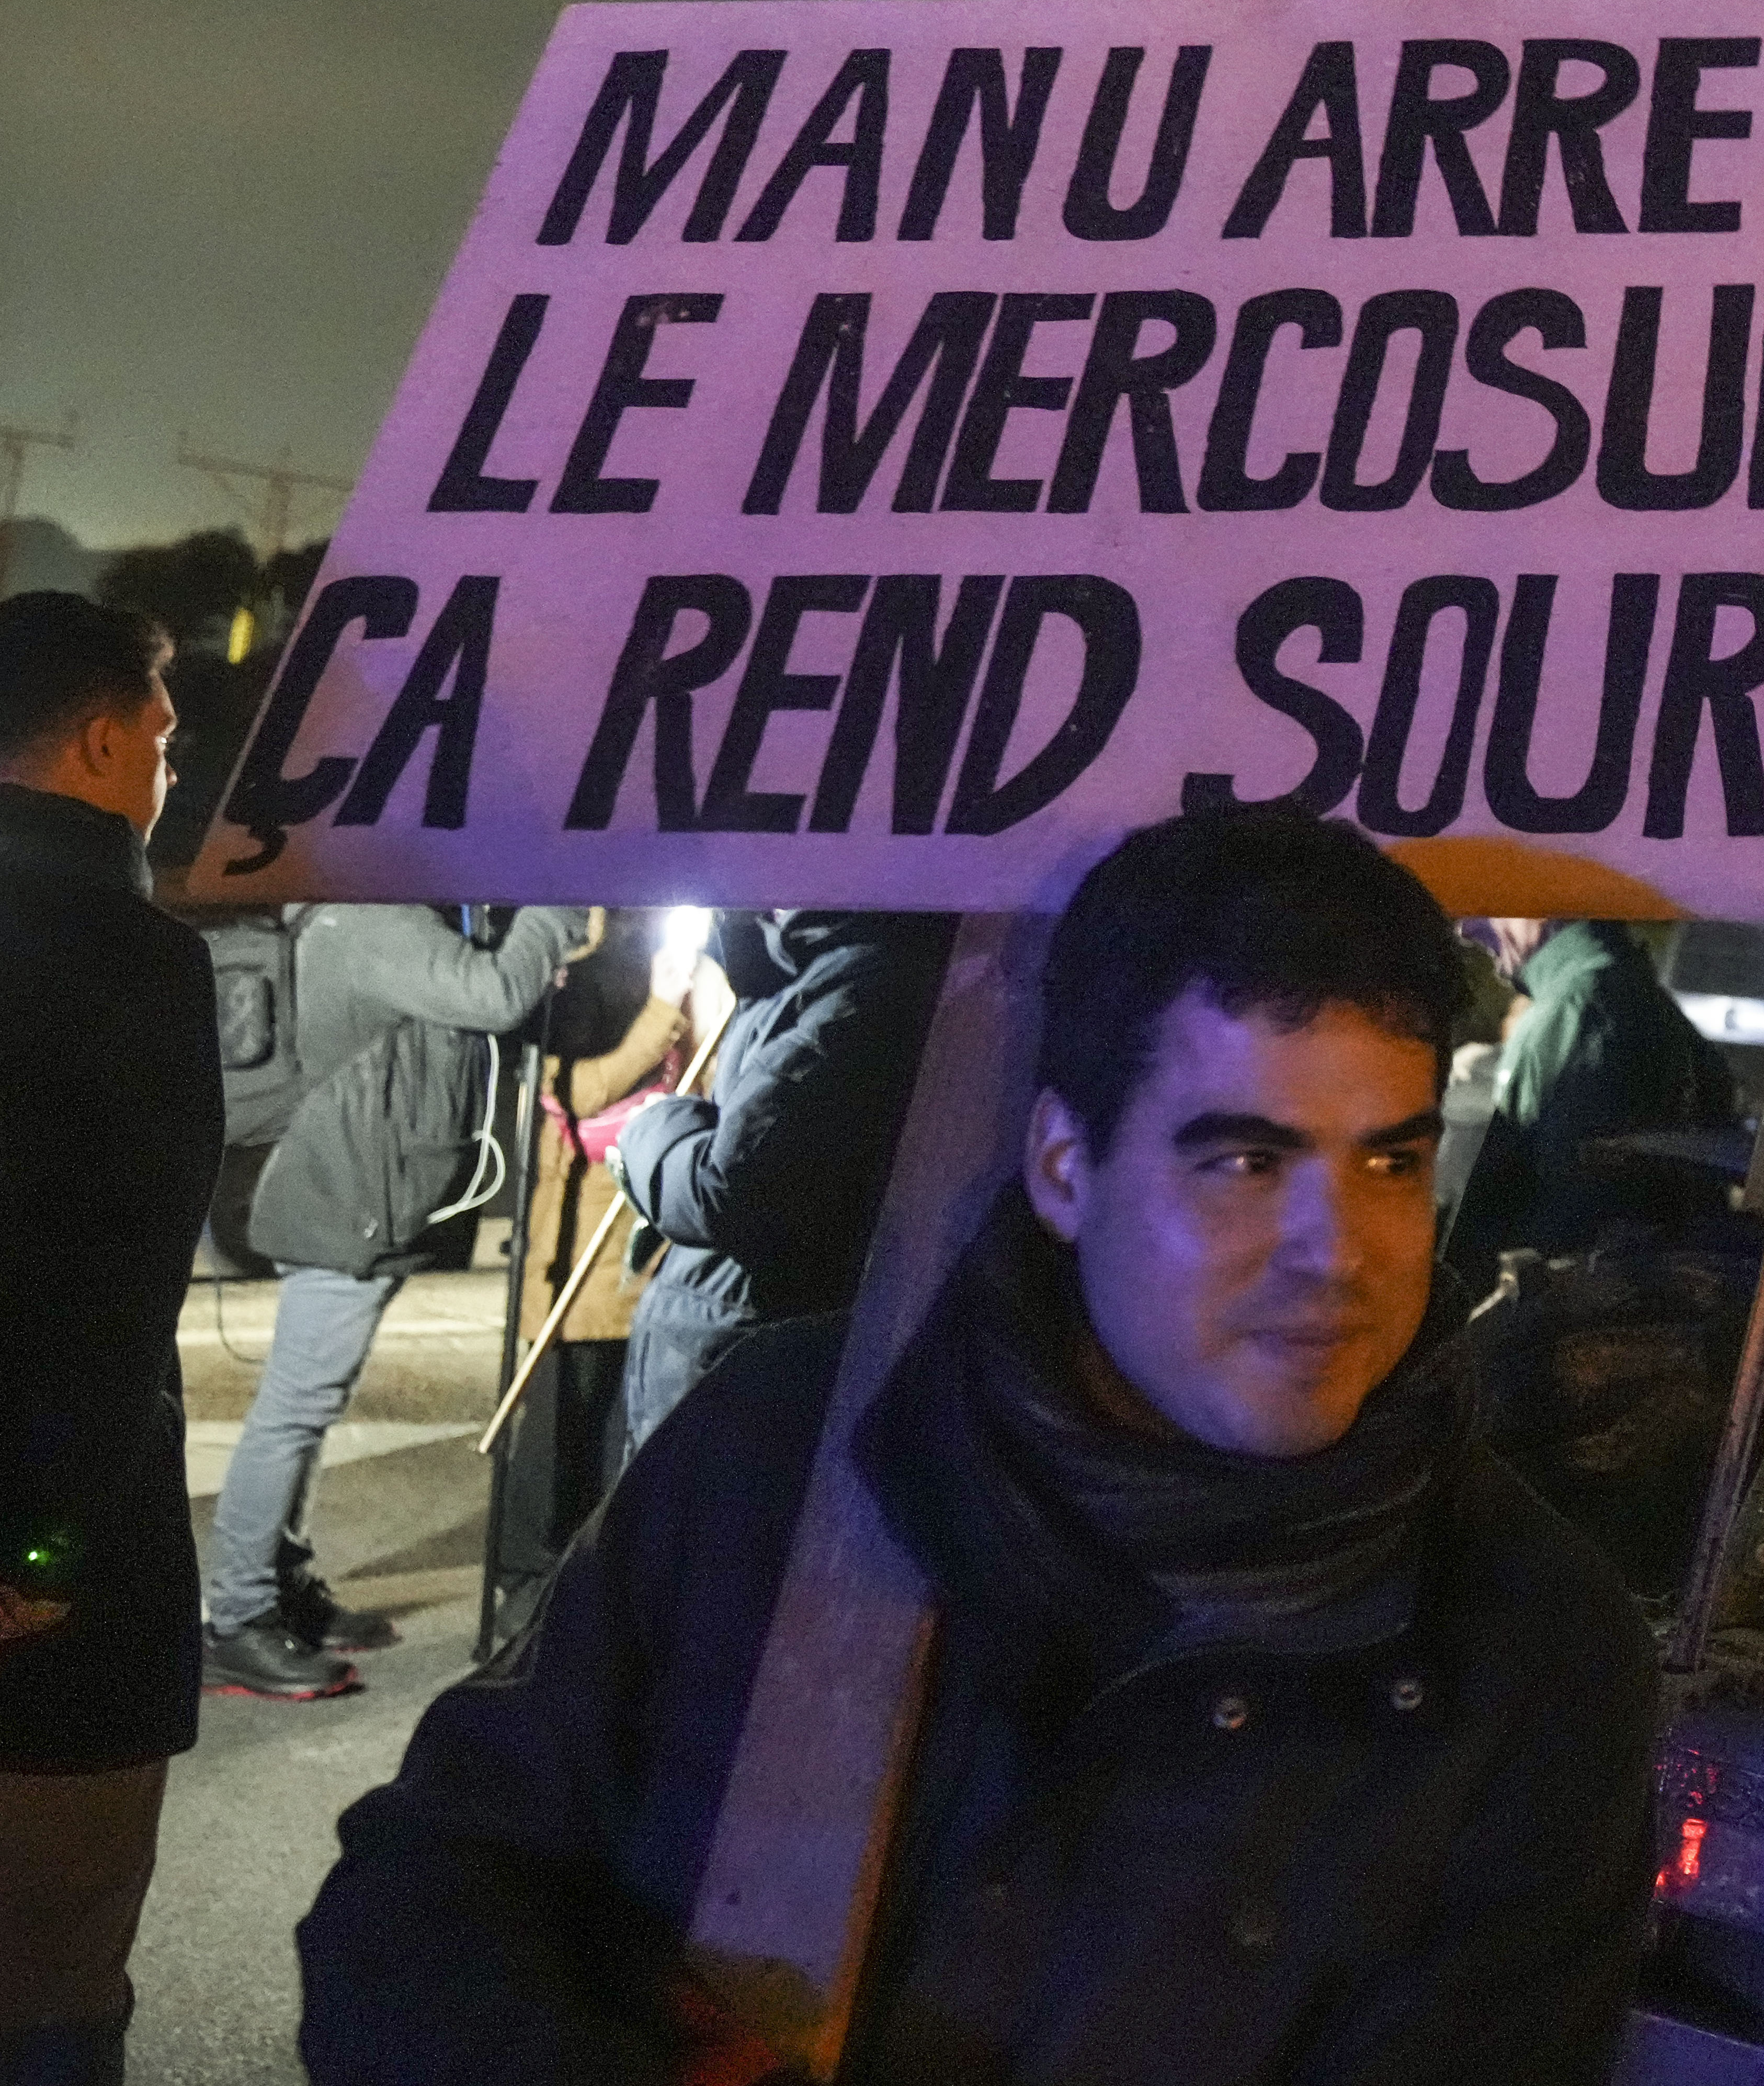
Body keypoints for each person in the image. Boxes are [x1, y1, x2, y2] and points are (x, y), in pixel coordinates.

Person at [296, 806, 1661, 2084]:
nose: (1340, 1257)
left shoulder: (1524, 1652)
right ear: (1067, 1167)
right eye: (1246, 1162)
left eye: (1390, 1163)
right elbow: (426, 1885)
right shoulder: (790, 1448)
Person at [0, 594, 220, 2085]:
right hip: (45, 1591)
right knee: (54, 1971)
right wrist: (40, 1554)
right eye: (160, 736)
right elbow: (108, 1296)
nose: (168, 769)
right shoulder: (128, 955)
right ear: (97, 738)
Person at [203, 899, 584, 1698]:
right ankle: (236, 1617)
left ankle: (284, 1586)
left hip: (356, 1195)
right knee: (295, 1408)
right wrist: (554, 907)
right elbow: (494, 995)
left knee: (309, 1405)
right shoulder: (376, 924)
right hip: (343, 1203)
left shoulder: (373, 919)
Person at [612, 909, 955, 1454]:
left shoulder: (867, 980)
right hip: (714, 1344)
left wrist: (650, 1127)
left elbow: (731, 1188)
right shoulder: (793, 971)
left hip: (746, 1366)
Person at [1444, 915, 1740, 1276]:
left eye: (1492, 905)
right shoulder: (1645, 1007)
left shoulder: (1574, 1016)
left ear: (1542, 901)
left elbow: (1564, 1232)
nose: (1468, 929)